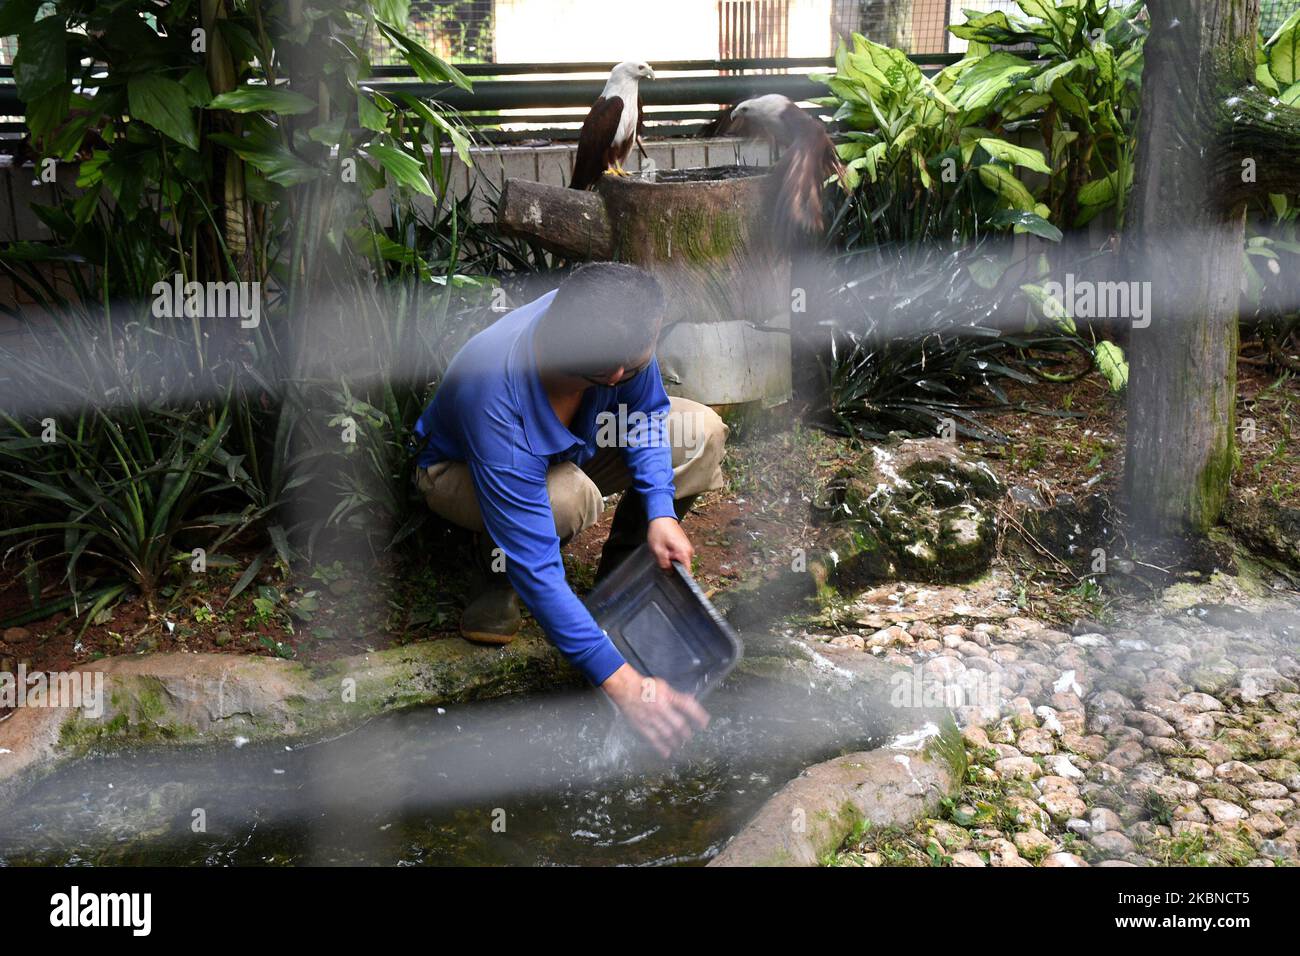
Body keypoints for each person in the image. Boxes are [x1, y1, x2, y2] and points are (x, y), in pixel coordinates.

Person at [412, 262, 729, 756]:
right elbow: (539, 567)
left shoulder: (608, 316)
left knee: (699, 433)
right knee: (565, 498)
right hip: (461, 472)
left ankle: (621, 586)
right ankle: (496, 569)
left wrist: (660, 512)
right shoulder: (495, 390)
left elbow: (644, 415)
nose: (642, 369)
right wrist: (624, 686)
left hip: (574, 445)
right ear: (610, 372)